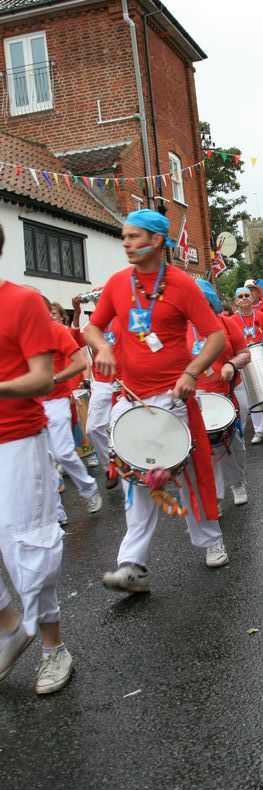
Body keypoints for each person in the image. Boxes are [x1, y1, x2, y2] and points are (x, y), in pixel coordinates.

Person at [83, 209, 229, 593]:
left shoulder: (182, 285)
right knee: (140, 480)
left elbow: (215, 336)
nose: (126, 243)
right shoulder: (117, 284)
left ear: (157, 240)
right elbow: (92, 327)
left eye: (134, 236)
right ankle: (133, 565)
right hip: (131, 398)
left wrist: (191, 373)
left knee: (191, 476)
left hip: (174, 398)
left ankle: (210, 540)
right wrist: (103, 349)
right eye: (124, 237)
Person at [0, 225, 74, 694]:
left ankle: (53, 648)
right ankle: (11, 626)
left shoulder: (22, 301)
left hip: (16, 441)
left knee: (30, 547)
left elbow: (43, 379)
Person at [187, 280, 251, 509]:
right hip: (200, 397)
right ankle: (216, 495)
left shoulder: (226, 323)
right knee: (207, 447)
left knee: (233, 443)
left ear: (210, 302)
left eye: (201, 300)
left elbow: (245, 354)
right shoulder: (183, 329)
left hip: (230, 390)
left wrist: (232, 364)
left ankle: (237, 482)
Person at [42, 300, 102, 524]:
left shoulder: (57, 330)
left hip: (57, 399)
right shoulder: (19, 334)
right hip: (31, 403)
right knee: (44, 459)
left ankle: (88, 488)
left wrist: (54, 379)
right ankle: (57, 513)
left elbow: (80, 362)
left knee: (62, 453)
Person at [71, 294, 121, 490]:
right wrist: (76, 312)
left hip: (124, 382)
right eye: (97, 302)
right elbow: (75, 340)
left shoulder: (121, 319)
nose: (100, 305)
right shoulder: (93, 324)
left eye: (103, 301)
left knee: (124, 427)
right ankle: (110, 465)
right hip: (101, 382)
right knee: (93, 429)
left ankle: (131, 463)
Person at [231, 285, 263, 443]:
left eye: (247, 295)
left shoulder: (262, 316)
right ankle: (259, 430)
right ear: (236, 302)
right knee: (252, 395)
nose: (244, 298)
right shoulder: (232, 321)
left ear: (252, 299)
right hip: (244, 361)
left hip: (262, 359)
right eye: (240, 296)